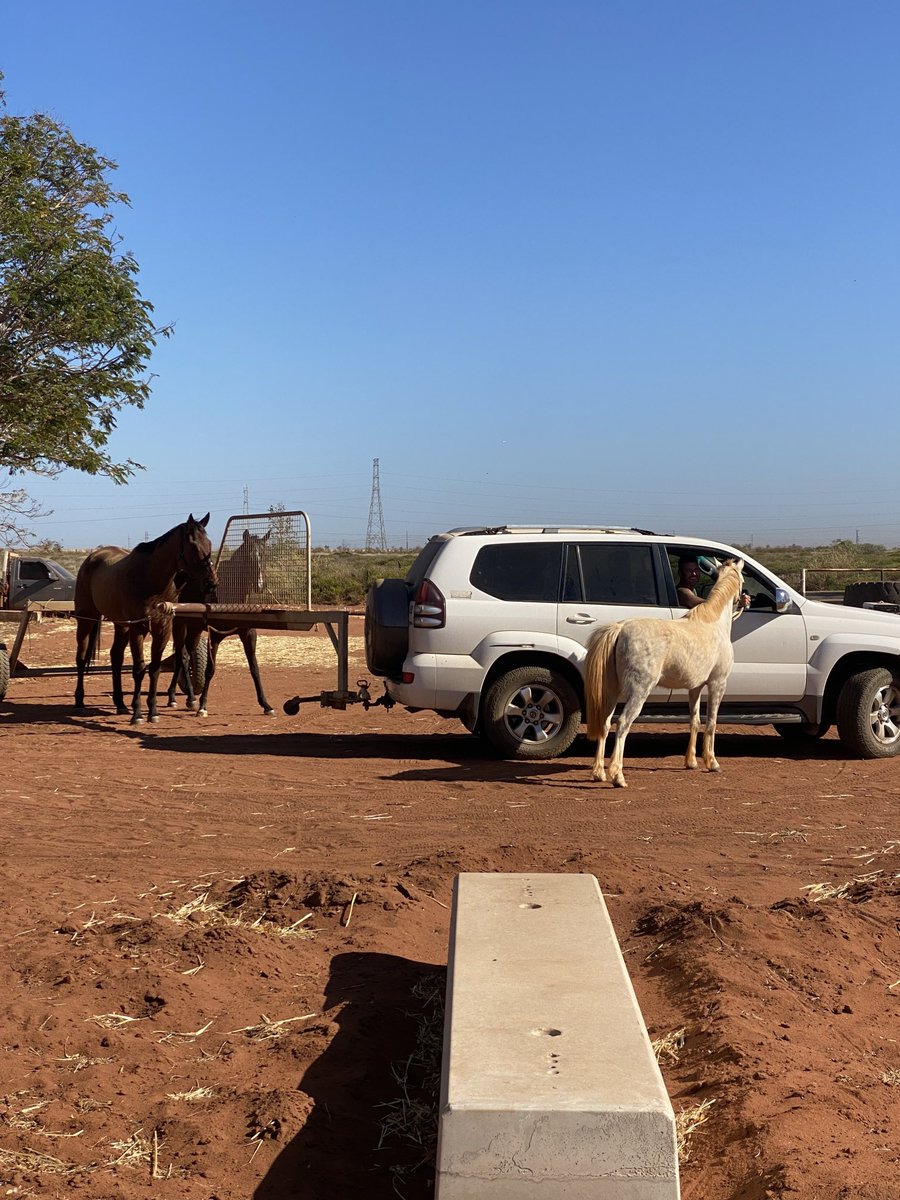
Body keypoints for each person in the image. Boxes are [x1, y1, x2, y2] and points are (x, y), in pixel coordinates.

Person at [676, 555, 750, 611]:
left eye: (696, 570)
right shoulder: (682, 592)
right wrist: (738, 603)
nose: (694, 574)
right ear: (680, 573)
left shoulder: (693, 590)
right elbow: (708, 605)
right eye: (689, 571)